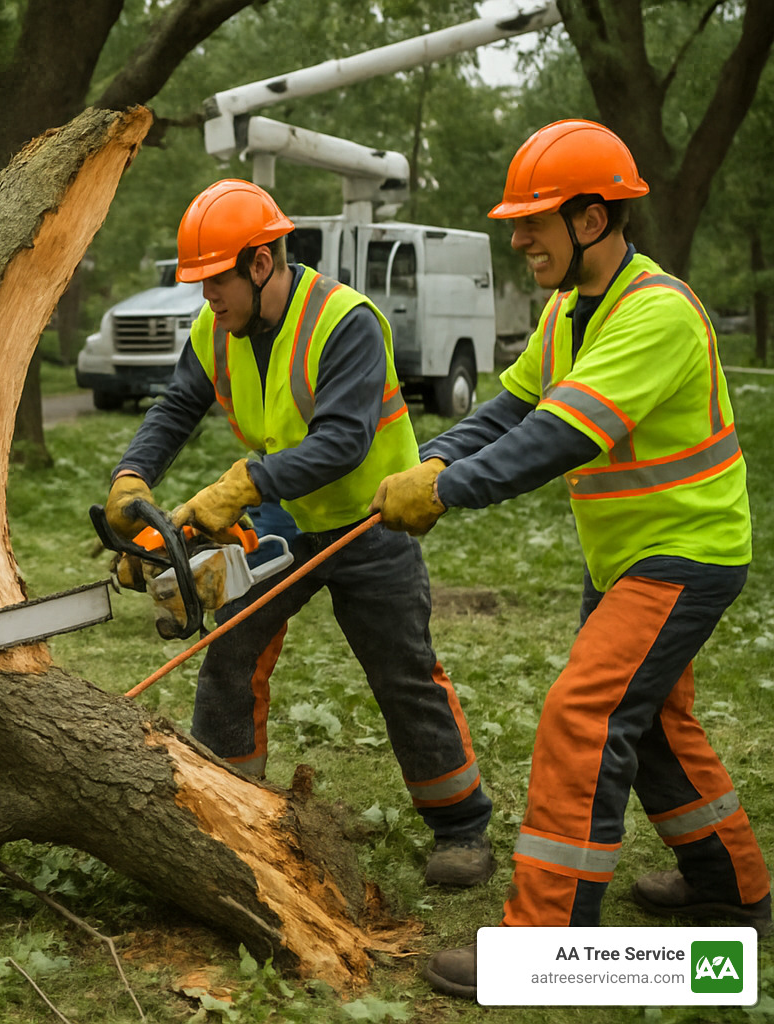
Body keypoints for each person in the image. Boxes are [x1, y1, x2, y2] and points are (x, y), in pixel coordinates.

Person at [373, 119, 770, 999]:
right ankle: (733, 893)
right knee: (657, 720)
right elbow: (511, 411)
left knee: (582, 716)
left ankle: (546, 950)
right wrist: (436, 459)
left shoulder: (653, 312)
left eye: (533, 222)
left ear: (592, 219)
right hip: (634, 557)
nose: (518, 240)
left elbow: (556, 437)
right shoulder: (568, 312)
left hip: (684, 554)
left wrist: (445, 493)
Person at [104, 179, 494, 888]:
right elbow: (176, 407)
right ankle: (235, 806)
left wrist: (242, 486)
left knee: (402, 673)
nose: (206, 298)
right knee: (233, 651)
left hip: (372, 519)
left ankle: (461, 825)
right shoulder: (214, 330)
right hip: (285, 520)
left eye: (216, 280)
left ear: (260, 264)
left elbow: (342, 441)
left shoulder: (345, 322)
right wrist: (132, 477)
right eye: (198, 283)